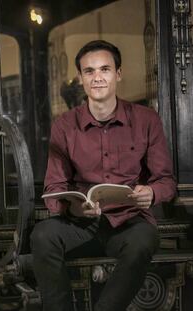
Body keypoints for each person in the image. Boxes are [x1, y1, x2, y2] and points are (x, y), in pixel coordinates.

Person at [30, 40, 176, 311]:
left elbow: (166, 181)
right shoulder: (64, 125)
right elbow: (54, 187)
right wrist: (75, 206)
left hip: (130, 223)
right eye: (89, 71)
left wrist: (152, 193)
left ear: (117, 74)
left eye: (105, 69)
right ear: (82, 79)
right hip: (81, 226)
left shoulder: (146, 119)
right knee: (42, 234)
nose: (97, 77)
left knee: (144, 241)